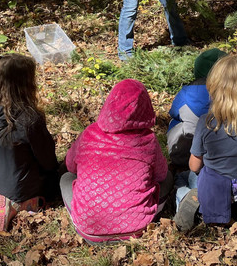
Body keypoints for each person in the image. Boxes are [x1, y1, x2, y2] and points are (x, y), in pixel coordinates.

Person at [62, 79, 172, 243]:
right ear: (146, 108)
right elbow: (161, 176)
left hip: (89, 229)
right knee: (169, 177)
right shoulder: (148, 140)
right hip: (136, 228)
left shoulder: (89, 133)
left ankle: (84, 212)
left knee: (65, 178)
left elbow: (70, 166)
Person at [174, 56, 237, 232]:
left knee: (184, 178)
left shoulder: (206, 122)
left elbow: (194, 165)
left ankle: (194, 202)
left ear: (214, 89)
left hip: (216, 189)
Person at [0, 54, 60, 232]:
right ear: (26, 84)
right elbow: (47, 159)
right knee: (57, 178)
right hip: (21, 186)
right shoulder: (30, 118)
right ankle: (21, 203)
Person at [167, 48, 227, 167]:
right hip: (223, 153)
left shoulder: (186, 92)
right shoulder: (231, 94)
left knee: (174, 122)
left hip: (187, 154)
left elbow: (173, 112)